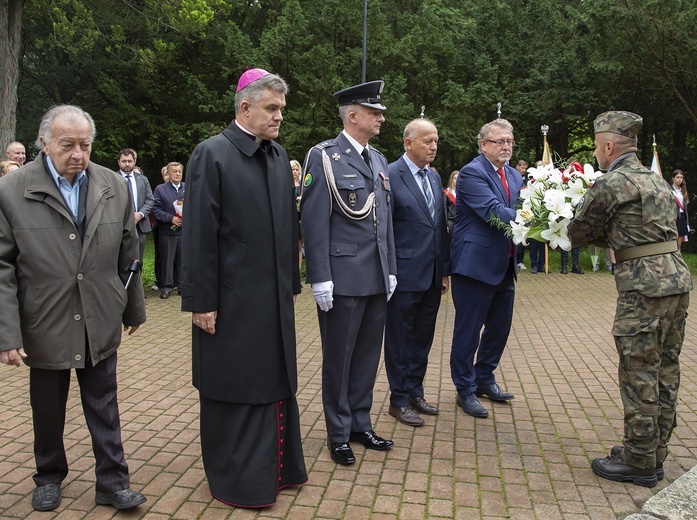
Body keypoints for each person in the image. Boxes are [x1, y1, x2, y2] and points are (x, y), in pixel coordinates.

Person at [0, 105, 147, 511]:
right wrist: (6, 333)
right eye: (68, 145)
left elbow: (128, 250)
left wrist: (132, 308)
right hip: (44, 318)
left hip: (99, 313)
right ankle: (48, 476)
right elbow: (2, 268)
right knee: (47, 407)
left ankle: (113, 482)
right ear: (44, 143)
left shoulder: (112, 185)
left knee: (105, 404)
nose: (78, 153)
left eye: (85, 144)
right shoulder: (12, 191)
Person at [180, 68, 307, 508]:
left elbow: (288, 225)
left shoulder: (276, 155)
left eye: (282, 110)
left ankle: (277, 469)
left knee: (273, 377)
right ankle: (239, 479)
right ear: (245, 107)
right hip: (230, 300)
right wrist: (200, 301)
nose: (278, 118)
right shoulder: (211, 154)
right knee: (235, 382)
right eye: (271, 109)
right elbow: (198, 232)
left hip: (272, 297)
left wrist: (291, 281)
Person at [568, 111, 692, 488]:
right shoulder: (656, 181)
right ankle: (654, 453)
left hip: (644, 290)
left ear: (608, 146)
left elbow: (578, 232)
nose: (595, 152)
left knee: (639, 371)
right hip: (676, 283)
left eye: (596, 146)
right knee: (665, 369)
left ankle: (639, 462)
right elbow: (639, 231)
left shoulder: (612, 184)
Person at [301, 80, 397, 465]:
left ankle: (361, 423)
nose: (380, 117)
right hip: (341, 277)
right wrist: (320, 275)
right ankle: (338, 433)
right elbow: (313, 219)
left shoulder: (377, 159)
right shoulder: (324, 156)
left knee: (367, 356)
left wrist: (389, 268)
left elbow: (384, 219)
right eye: (374, 112)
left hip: (374, 275)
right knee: (339, 359)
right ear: (353, 115)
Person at [450, 118, 523, 419]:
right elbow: (493, 213)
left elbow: (520, 206)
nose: (506, 146)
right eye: (499, 141)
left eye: (509, 141)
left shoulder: (516, 176)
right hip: (475, 268)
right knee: (468, 332)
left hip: (505, 264)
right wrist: (539, 221)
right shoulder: (471, 173)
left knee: (500, 328)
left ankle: (484, 378)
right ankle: (465, 389)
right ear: (483, 145)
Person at [384, 118, 450, 427]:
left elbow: (440, 228)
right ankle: (397, 400)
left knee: (422, 339)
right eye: (427, 141)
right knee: (400, 339)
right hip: (404, 275)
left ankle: (414, 391)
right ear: (408, 143)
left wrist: (444, 270)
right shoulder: (389, 175)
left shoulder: (435, 178)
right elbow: (384, 229)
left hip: (433, 275)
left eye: (435, 140)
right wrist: (388, 271)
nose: (434, 146)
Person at [152, 162, 184, 299]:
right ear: (168, 174)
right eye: (174, 171)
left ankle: (183, 286)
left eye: (179, 171)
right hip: (167, 231)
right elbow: (155, 209)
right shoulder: (160, 189)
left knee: (184, 261)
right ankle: (166, 287)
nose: (177, 174)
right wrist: (171, 219)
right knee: (167, 260)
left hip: (184, 232)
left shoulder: (188, 188)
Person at [117, 149, 153, 261]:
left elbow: (150, 200)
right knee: (121, 258)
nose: (127, 164)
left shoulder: (143, 179)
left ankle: (138, 279)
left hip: (139, 225)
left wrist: (140, 214)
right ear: (118, 162)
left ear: (134, 161)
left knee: (138, 260)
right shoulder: (112, 178)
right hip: (119, 226)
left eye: (130, 161)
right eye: (124, 161)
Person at [150, 166, 170, 291]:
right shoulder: (159, 190)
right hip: (160, 226)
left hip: (178, 228)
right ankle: (161, 280)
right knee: (161, 255)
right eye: (165, 174)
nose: (168, 176)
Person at [514, 160, 528, 270]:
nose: (524, 170)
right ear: (517, 167)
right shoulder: (511, 176)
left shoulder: (528, 179)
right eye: (522, 168)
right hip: (513, 208)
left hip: (524, 210)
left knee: (522, 235)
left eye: (525, 168)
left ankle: (520, 260)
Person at [670, 169, 690, 249]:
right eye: (677, 177)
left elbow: (685, 207)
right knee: (673, 240)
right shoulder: (669, 190)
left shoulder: (683, 190)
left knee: (679, 242)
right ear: (673, 178)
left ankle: (679, 257)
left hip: (682, 217)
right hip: (674, 217)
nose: (679, 179)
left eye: (681, 177)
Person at [291, 159, 304, 268]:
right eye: (292, 169)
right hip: (290, 217)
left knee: (299, 246)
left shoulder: (302, 185)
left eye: (296, 169)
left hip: (300, 217)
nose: (295, 171)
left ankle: (298, 273)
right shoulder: (286, 183)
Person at [444, 170, 458, 236]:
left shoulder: (464, 192)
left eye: (458, 178)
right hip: (451, 221)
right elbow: (444, 209)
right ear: (451, 180)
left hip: (461, 220)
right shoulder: (446, 193)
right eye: (455, 178)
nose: (456, 180)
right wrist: (446, 224)